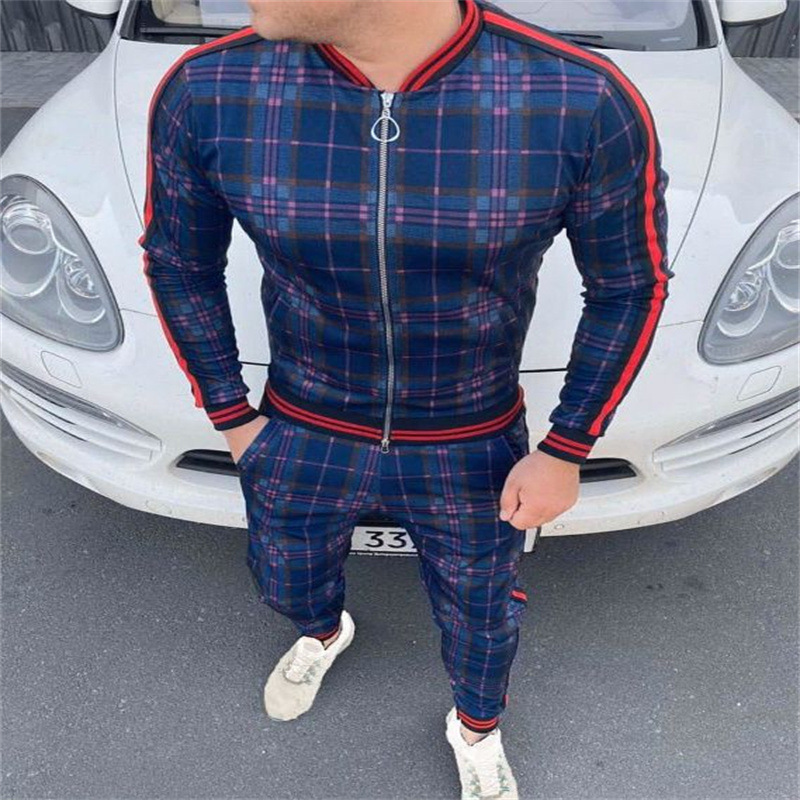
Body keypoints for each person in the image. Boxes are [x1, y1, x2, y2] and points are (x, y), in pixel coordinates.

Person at [139, 0, 672, 796]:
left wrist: (567, 447)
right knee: (284, 574)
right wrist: (232, 415)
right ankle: (323, 631)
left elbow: (629, 287)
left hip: (469, 435)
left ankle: (476, 727)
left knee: (483, 615)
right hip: (303, 422)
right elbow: (179, 263)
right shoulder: (212, 87)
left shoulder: (579, 97)